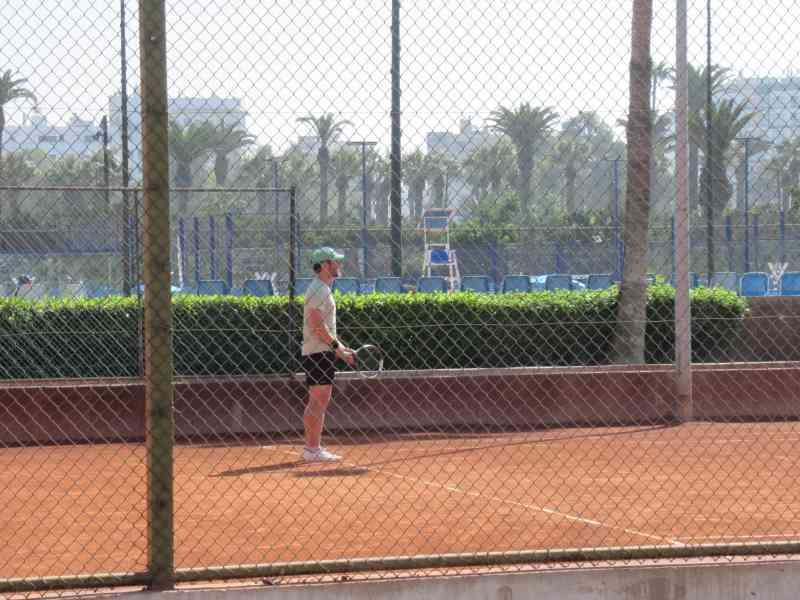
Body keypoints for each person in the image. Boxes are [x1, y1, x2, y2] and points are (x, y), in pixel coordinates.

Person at [300, 247, 355, 462]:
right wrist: (337, 347)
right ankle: (312, 450)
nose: (338, 265)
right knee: (318, 400)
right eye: (335, 262)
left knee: (319, 399)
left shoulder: (321, 289)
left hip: (320, 350)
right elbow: (316, 324)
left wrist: (338, 347)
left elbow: (322, 326)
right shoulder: (318, 290)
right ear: (324, 265)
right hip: (318, 351)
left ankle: (311, 448)